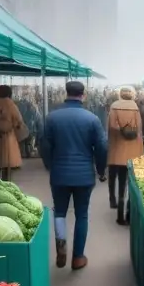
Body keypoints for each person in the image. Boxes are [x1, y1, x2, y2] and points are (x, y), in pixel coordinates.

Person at [41, 81, 107, 270]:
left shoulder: (52, 118)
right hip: (84, 175)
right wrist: (101, 170)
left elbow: (45, 145)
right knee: (82, 215)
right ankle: (78, 257)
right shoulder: (92, 119)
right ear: (83, 95)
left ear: (66, 93)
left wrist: (50, 165)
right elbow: (102, 147)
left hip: (60, 173)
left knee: (60, 212)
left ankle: (61, 247)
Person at [106, 86, 144, 225]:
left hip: (118, 149)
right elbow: (139, 129)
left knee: (121, 183)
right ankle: (129, 213)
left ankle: (120, 215)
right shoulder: (135, 108)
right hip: (133, 151)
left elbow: (111, 127)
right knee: (132, 184)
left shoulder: (114, 107)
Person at [0, 85, 26, 181]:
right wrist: (15, 125)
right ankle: (7, 182)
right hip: (8, 135)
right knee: (8, 162)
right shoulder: (10, 104)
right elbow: (18, 118)